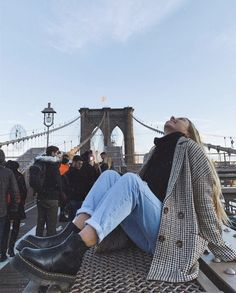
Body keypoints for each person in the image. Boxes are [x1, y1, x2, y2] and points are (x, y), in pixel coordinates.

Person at [13, 116, 236, 286]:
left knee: (130, 180)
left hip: (172, 236)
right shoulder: (156, 151)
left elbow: (205, 203)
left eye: (181, 119)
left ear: (188, 132)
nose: (173, 117)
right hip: (149, 234)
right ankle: (67, 237)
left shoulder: (192, 150)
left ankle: (71, 254)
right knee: (109, 176)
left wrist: (220, 247)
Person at [34, 145, 62, 236]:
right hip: (52, 198)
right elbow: (58, 182)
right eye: (57, 152)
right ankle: (48, 246)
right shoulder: (54, 165)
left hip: (41, 198)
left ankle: (37, 243)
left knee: (40, 223)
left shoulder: (39, 163)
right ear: (53, 153)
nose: (58, 155)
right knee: (51, 225)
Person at [1, 160, 27, 258]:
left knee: (5, 230)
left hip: (5, 206)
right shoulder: (20, 176)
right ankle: (11, 249)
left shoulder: (5, 174)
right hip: (17, 205)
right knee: (15, 229)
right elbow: (24, 191)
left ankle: (3, 252)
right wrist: (20, 203)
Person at [0, 150, 19, 262]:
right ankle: (2, 254)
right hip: (3, 209)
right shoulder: (8, 173)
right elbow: (15, 192)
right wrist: (14, 208)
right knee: (3, 232)